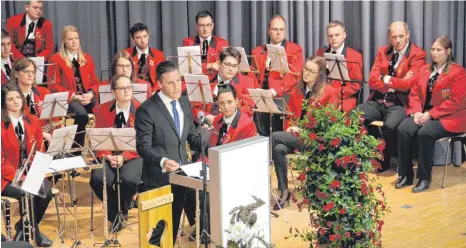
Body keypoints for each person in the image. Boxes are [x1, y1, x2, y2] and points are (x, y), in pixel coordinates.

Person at [135, 61, 204, 245]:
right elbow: (142, 147)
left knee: (205, 215)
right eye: (170, 83)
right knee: (163, 234)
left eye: (178, 81)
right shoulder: (147, 110)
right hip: (161, 178)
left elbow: (191, 137)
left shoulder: (184, 102)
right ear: (159, 84)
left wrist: (215, 142)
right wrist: (162, 160)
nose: (176, 87)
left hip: (185, 174)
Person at [396, 36, 466, 192]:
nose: (434, 53)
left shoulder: (459, 72)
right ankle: (405, 174)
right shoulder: (424, 70)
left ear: (448, 51)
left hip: (450, 117)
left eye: (438, 50)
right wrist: (416, 112)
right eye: (433, 49)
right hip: (423, 113)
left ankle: (424, 178)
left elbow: (455, 102)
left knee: (425, 133)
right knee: (404, 129)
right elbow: (414, 94)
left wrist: (430, 114)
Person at [357, 21, 427, 172]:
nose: (398, 40)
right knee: (354, 117)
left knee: (390, 125)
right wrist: (397, 80)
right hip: (378, 99)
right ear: (390, 37)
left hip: (399, 102)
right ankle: (373, 152)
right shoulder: (383, 51)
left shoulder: (417, 54)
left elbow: (409, 85)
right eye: (394, 37)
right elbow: (372, 81)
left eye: (401, 36)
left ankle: (385, 158)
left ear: (408, 35)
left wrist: (386, 78)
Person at [271, 56, 337, 211]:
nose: (305, 73)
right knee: (278, 149)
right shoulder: (298, 90)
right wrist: (292, 127)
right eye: (305, 69)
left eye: (310, 71)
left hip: (316, 140)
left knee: (274, 137)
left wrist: (303, 130)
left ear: (319, 74)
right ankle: (284, 191)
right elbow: (291, 117)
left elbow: (328, 124)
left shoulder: (329, 92)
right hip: (297, 137)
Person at [1, 83, 53, 247]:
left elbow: (39, 150)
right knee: (27, 194)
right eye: (10, 99)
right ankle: (33, 233)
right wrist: (18, 176)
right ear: (3, 103)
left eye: (18, 97)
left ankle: (23, 228)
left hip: (28, 172)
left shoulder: (34, 121)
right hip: (5, 177)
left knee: (46, 191)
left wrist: (36, 172)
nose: (16, 102)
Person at [89, 75, 143, 229]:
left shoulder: (141, 110)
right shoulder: (103, 109)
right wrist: (107, 155)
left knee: (128, 180)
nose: (127, 91)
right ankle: (117, 214)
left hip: (133, 156)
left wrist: (124, 157)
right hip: (108, 155)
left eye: (129, 87)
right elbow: (98, 136)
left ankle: (121, 212)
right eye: (122, 88)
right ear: (113, 92)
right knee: (97, 179)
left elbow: (144, 141)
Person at [47, 25, 99, 152]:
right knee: (82, 115)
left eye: (76, 38)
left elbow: (95, 82)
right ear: (64, 41)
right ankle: (76, 151)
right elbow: (53, 86)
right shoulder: (55, 59)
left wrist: (91, 93)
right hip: (69, 99)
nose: (74, 42)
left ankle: (100, 150)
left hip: (86, 96)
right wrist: (74, 96)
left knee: (103, 109)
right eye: (70, 39)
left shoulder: (87, 58)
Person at [251, 15, 304, 136]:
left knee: (277, 110)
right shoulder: (257, 50)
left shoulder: (295, 50)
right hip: (261, 92)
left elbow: (295, 76)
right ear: (269, 30)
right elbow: (252, 74)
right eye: (275, 29)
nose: (278, 33)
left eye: (281, 29)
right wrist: (256, 90)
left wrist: (274, 91)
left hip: (283, 94)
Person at [192, 47, 255, 126]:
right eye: (227, 64)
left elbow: (248, 109)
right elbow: (195, 108)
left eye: (234, 66)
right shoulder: (206, 81)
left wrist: (222, 118)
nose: (231, 69)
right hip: (208, 126)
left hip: (234, 127)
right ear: (219, 64)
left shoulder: (246, 81)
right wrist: (205, 117)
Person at [315, 20, 363, 112]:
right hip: (322, 95)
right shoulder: (320, 53)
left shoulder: (355, 56)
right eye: (330, 36)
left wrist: (332, 93)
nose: (333, 38)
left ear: (344, 35)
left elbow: (355, 85)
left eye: (337, 35)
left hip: (343, 98)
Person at [10, 58, 53, 142]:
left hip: (47, 138)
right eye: (26, 71)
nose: (30, 75)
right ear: (16, 74)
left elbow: (54, 118)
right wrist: (42, 134)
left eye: (33, 72)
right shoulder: (11, 96)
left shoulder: (44, 92)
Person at [125, 23, 165, 92]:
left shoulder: (159, 54)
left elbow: (162, 76)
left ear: (148, 36)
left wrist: (153, 92)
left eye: (144, 36)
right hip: (132, 92)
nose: (143, 40)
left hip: (154, 92)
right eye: (138, 38)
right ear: (132, 39)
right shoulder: (126, 55)